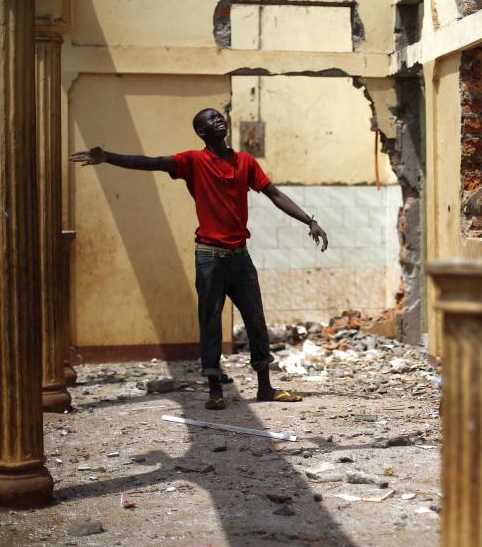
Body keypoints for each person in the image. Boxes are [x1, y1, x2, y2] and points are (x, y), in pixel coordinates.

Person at [70, 108, 328, 410]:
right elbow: (152, 163)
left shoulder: (245, 161)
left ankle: (265, 388)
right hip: (209, 256)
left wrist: (309, 221)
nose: (218, 119)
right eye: (210, 120)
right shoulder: (192, 161)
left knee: (256, 321)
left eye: (219, 116)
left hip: (240, 257)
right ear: (201, 132)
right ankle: (215, 390)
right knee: (210, 322)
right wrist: (109, 157)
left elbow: (274, 194)